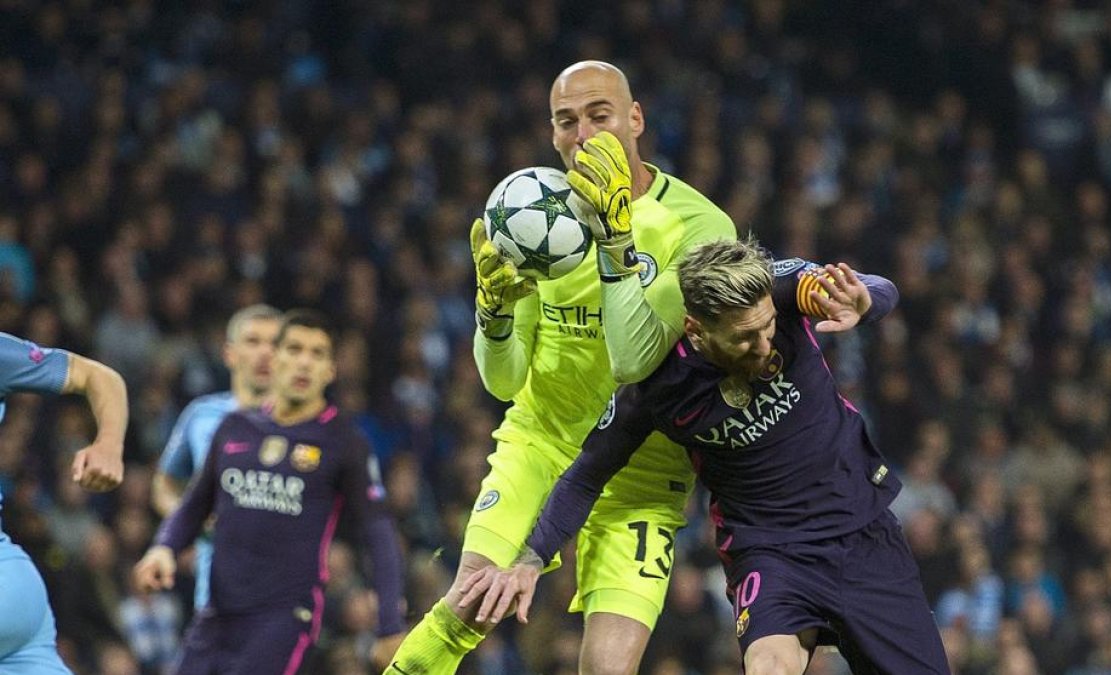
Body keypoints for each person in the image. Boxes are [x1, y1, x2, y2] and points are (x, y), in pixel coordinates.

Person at [386, 60, 736, 674]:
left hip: (643, 470)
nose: (583, 135)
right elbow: (503, 382)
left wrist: (614, 240)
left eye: (600, 116)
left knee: (607, 668)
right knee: (467, 605)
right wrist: (494, 313)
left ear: (635, 119)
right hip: (542, 442)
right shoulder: (535, 213)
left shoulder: (699, 227)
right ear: (552, 132)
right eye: (566, 121)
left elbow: (635, 362)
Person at [461, 240, 952, 674]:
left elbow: (878, 288)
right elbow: (586, 475)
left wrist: (864, 301)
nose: (764, 345)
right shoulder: (658, 387)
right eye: (744, 337)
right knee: (769, 666)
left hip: (863, 528)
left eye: (768, 327)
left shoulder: (784, 288)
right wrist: (530, 560)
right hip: (770, 549)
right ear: (697, 330)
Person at [134, 310, 406, 674]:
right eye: (294, 349)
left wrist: (390, 626)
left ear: (330, 370)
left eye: (317, 353)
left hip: (283, 619)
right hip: (216, 614)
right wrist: (164, 547)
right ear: (274, 359)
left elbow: (378, 531)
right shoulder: (234, 427)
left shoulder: (343, 441)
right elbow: (195, 504)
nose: (304, 362)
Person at [0, 332, 127, 673]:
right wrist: (108, 444)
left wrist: (108, 446)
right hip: (15, 581)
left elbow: (97, 376)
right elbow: (99, 376)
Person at [151, 303, 282, 610]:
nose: (265, 353)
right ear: (230, 354)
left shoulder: (308, 427)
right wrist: (190, 518)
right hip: (214, 595)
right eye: (253, 342)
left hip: (283, 597)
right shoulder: (202, 415)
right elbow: (164, 482)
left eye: (275, 344)